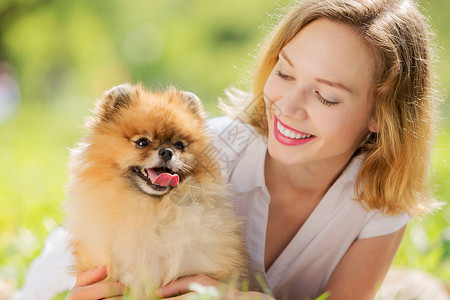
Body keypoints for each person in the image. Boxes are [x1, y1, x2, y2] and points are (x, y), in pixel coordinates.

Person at [13, 0, 440, 299]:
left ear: (381, 116)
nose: (288, 107)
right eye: (285, 74)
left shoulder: (378, 201)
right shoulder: (210, 154)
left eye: (326, 97)